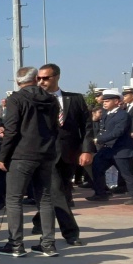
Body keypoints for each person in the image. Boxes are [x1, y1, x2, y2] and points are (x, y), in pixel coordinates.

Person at [0, 66, 59, 257]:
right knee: (45, 199)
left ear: (17, 81)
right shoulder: (51, 99)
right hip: (46, 154)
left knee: (14, 199)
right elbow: (55, 127)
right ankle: (48, 244)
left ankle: (15, 244)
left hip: (22, 154)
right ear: (36, 79)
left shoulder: (17, 99)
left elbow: (12, 130)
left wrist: (2, 156)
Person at [31, 64, 94, 247]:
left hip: (69, 154)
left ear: (57, 77)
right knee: (57, 192)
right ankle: (71, 233)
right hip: (44, 154)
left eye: (46, 78)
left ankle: (38, 220)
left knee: (64, 193)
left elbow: (86, 127)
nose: (41, 81)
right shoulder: (34, 99)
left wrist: (87, 150)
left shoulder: (75, 99)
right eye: (39, 78)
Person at [88, 89, 133, 204]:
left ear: (116, 101)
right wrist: (99, 139)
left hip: (121, 150)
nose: (104, 103)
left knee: (126, 173)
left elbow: (118, 132)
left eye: (107, 101)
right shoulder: (105, 114)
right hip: (107, 149)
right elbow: (103, 130)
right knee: (97, 168)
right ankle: (101, 193)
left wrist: (99, 139)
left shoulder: (123, 115)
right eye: (104, 101)